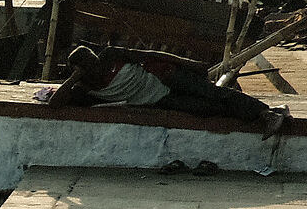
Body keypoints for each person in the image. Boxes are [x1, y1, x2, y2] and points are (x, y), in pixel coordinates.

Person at [54, 44, 285, 134]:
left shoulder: (111, 54)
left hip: (166, 77)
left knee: (214, 92)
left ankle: (267, 115)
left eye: (95, 60)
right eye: (89, 65)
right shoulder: (85, 89)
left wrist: (190, 64)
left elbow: (150, 55)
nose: (97, 65)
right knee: (207, 108)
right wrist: (75, 77)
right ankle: (272, 112)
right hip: (159, 100)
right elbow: (54, 104)